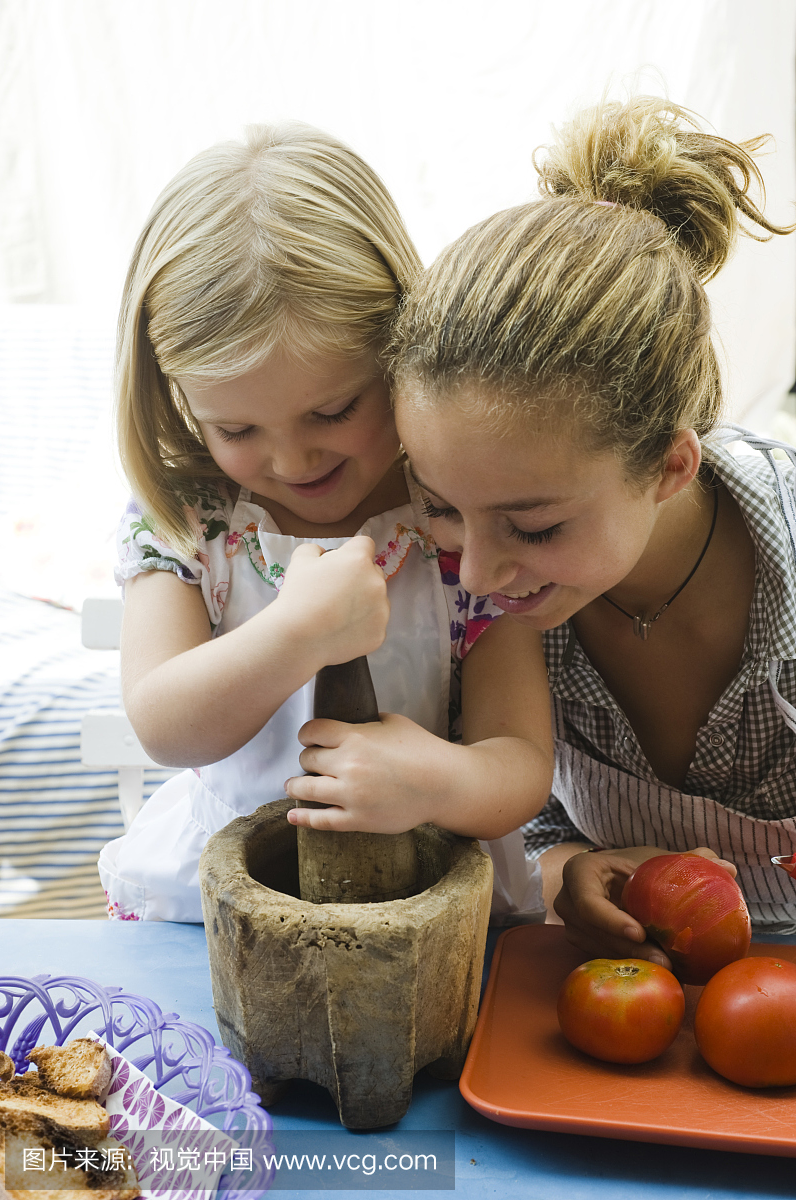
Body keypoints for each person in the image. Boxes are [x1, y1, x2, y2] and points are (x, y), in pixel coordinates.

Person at [98, 123, 553, 923]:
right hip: (222, 909)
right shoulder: (191, 518)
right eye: (236, 430)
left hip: (431, 913)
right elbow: (164, 724)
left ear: (400, 348)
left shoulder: (454, 514)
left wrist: (435, 782)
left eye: (333, 409)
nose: (291, 458)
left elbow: (519, 763)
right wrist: (295, 635)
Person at [387, 96, 796, 965]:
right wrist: (568, 871)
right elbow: (521, 824)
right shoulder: (481, 608)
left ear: (670, 468)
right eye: (441, 504)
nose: (477, 574)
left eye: (532, 527)